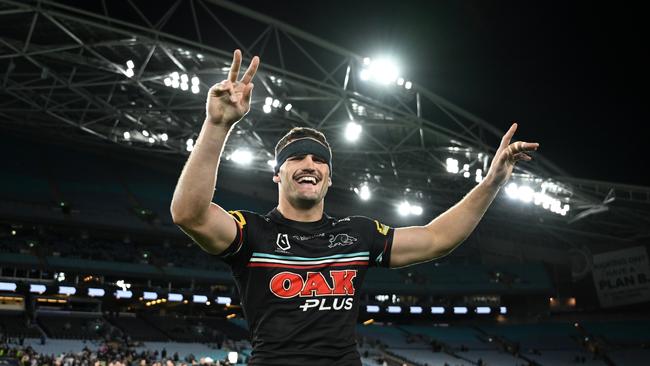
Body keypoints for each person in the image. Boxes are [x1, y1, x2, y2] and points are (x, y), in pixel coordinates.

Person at [170, 50, 539, 365]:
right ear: (277, 175)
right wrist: (216, 125)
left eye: (319, 159)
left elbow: (437, 238)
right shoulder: (252, 233)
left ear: (329, 178)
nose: (309, 164)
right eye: (296, 157)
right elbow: (189, 215)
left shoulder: (357, 234)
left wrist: (492, 183)